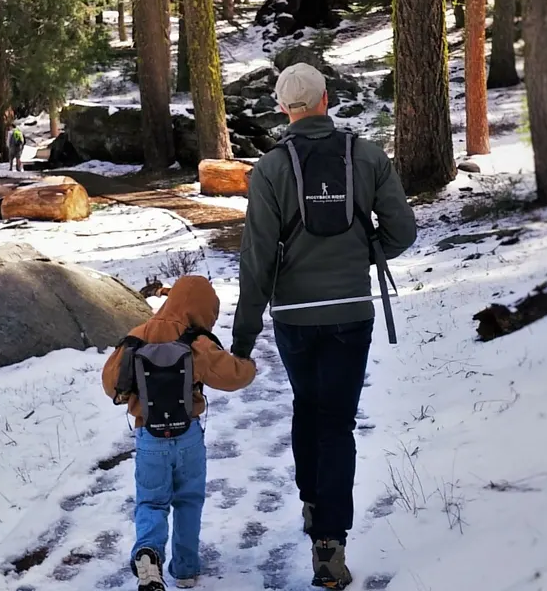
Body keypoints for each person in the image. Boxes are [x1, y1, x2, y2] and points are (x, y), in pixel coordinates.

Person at [230, 62, 417, 590]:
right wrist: (366, 253)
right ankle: (330, 546)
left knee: (306, 410)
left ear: (284, 108)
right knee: (336, 424)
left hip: (293, 318)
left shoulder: (268, 169)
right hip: (351, 312)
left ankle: (313, 505)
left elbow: (257, 259)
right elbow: (403, 230)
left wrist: (244, 337)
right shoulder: (367, 155)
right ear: (326, 99)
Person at [102, 275, 256, 591]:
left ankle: (148, 553)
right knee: (188, 501)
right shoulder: (195, 342)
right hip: (187, 436)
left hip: (149, 438)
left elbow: (109, 383)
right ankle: (185, 569)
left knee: (151, 503)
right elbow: (232, 377)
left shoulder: (137, 337)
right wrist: (248, 364)